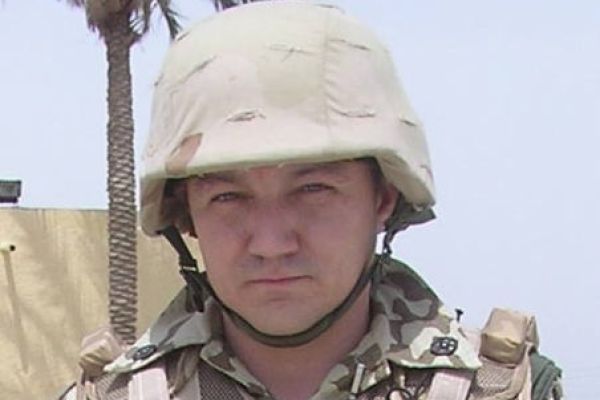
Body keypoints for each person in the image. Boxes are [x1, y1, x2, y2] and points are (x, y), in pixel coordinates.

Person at [61, 2, 563, 399]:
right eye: (229, 197)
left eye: (313, 190)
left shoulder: (499, 390)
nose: (271, 242)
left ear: (384, 198)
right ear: (186, 215)